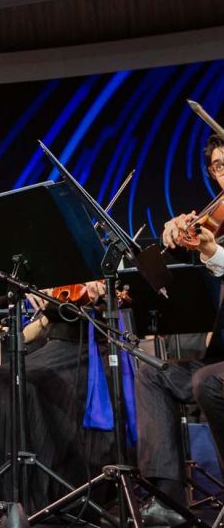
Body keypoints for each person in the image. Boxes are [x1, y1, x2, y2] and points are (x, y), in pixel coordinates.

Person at [0, 279, 119, 510]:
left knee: (29, 385)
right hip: (52, 349)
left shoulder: (96, 272)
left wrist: (101, 294)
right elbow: (40, 328)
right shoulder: (52, 277)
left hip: (86, 353)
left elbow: (110, 316)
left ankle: (36, 495)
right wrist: (16, 334)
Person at [136, 133, 224, 525]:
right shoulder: (215, 222)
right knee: (151, 372)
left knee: (209, 381)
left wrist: (214, 254)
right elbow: (183, 292)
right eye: (219, 166)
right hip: (218, 357)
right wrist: (171, 242)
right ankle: (169, 504)